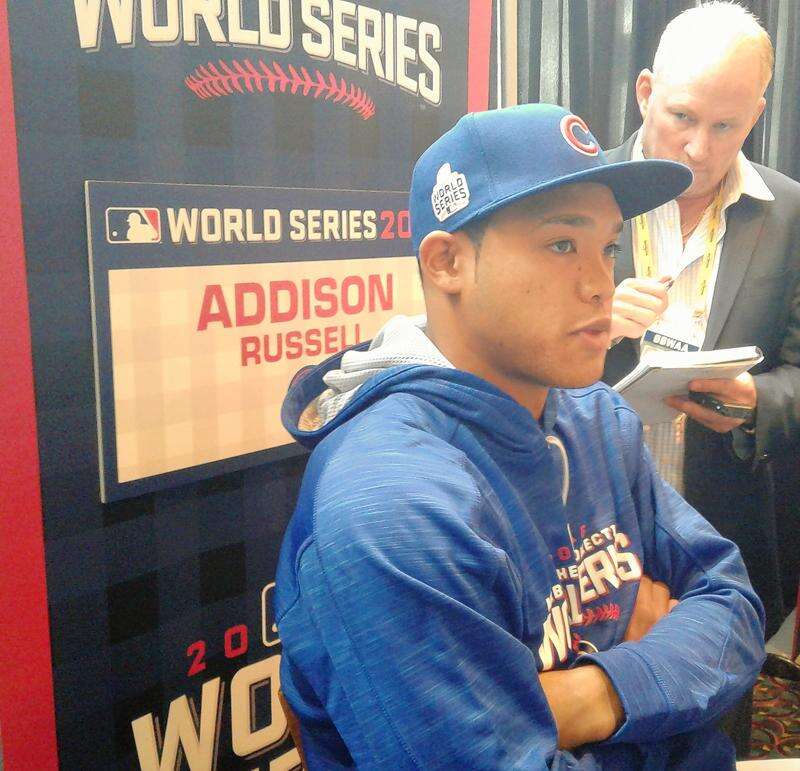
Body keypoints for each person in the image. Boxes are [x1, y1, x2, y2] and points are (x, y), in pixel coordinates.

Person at [274, 103, 764, 769]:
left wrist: (594, 695)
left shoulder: (597, 418)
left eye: (608, 247)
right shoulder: (390, 502)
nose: (601, 284)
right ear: (447, 262)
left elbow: (733, 606)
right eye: (562, 244)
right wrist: (665, 685)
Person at [603, 1, 800, 638]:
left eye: (726, 126)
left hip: (727, 539)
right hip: (585, 535)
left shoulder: (790, 214)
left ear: (757, 116)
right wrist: (590, 323)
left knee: (720, 697)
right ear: (645, 93)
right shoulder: (575, 192)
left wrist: (755, 402)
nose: (698, 148)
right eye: (682, 117)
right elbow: (502, 356)